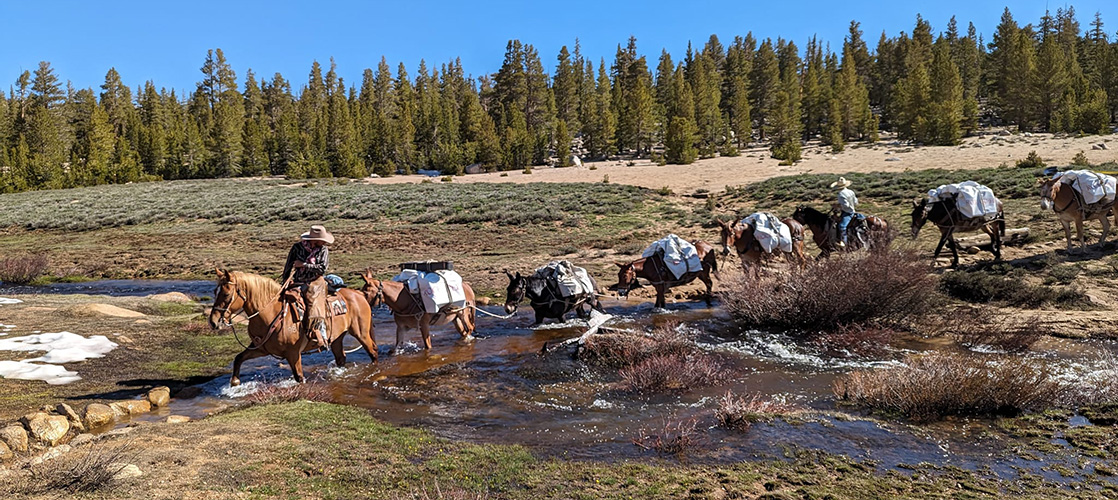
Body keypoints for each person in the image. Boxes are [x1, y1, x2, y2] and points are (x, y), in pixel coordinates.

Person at [281, 225, 333, 346]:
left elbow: (322, 268)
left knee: (315, 303)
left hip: (315, 281)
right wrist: (285, 280)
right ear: (314, 240)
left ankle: (320, 332)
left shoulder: (323, 250)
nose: (324, 242)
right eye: (322, 240)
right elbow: (289, 264)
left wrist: (303, 265)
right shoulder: (297, 248)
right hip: (298, 280)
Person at [830, 177, 858, 248]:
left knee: (842, 226)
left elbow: (846, 205)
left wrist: (838, 206)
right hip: (853, 211)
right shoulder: (851, 191)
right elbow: (856, 202)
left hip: (847, 213)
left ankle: (844, 243)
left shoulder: (841, 194)